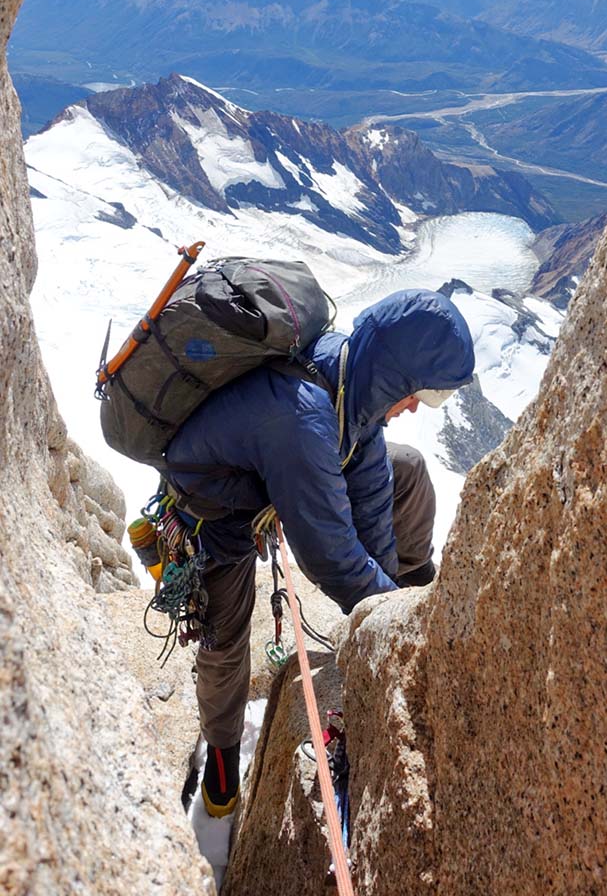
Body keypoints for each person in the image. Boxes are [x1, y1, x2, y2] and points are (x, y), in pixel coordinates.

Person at [165, 288, 475, 817]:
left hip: (271, 476)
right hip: (213, 513)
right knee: (225, 633)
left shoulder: (353, 390)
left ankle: (417, 587)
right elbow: (330, 555)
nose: (415, 407)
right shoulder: (304, 417)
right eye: (420, 394)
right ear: (393, 376)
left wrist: (398, 610)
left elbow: (373, 496)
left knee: (409, 471)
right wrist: (389, 625)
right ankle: (220, 759)